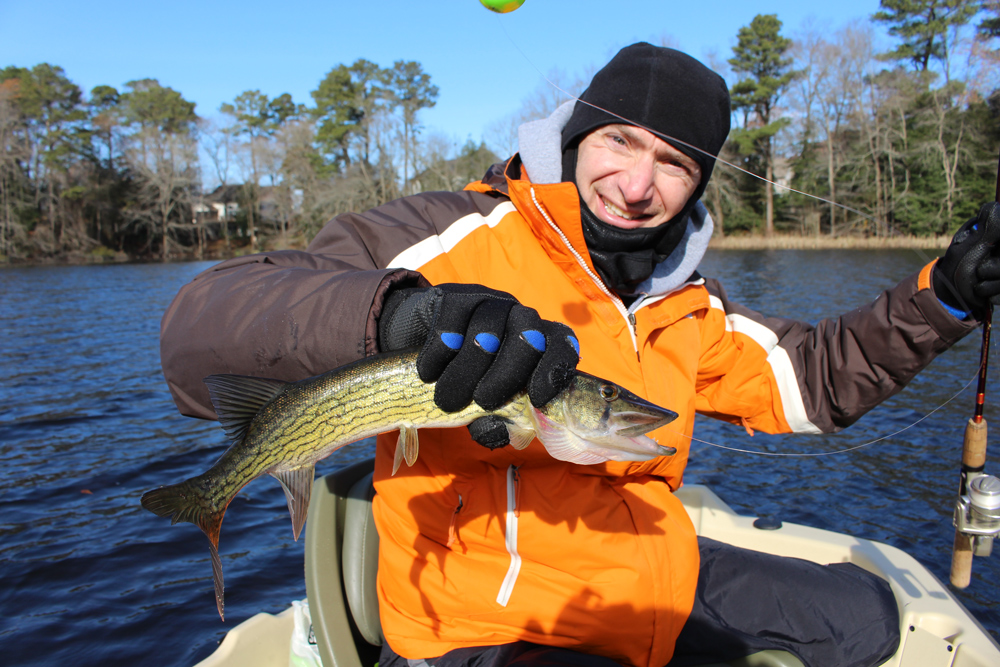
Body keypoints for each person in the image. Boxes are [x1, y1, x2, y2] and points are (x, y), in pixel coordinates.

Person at [160, 43, 1000, 667]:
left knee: (874, 621)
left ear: (696, 187)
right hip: (487, 617)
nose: (638, 185)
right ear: (574, 136)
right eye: (622, 144)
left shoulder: (686, 304)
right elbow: (202, 326)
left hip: (649, 576)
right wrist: (394, 314)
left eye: (673, 163)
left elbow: (812, 379)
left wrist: (944, 298)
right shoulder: (450, 231)